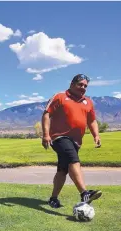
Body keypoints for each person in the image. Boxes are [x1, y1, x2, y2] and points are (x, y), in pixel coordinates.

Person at [41, 74, 102, 208]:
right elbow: (47, 114)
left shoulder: (88, 102)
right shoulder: (60, 97)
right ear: (72, 84)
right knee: (73, 160)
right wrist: (45, 134)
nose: (83, 88)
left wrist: (96, 135)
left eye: (85, 86)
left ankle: (53, 198)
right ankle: (84, 193)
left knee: (63, 170)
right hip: (59, 137)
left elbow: (91, 120)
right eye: (80, 84)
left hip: (76, 140)